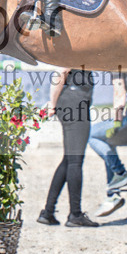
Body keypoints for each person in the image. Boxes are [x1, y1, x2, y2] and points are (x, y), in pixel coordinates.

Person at [38, 67, 100, 228]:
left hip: (74, 100)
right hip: (75, 101)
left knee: (69, 159)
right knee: (75, 161)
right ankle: (75, 214)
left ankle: (48, 212)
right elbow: (61, 71)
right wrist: (52, 104)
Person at [87, 73, 127, 217]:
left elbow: (119, 96)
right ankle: (114, 190)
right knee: (106, 139)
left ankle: (119, 177)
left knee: (93, 135)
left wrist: (117, 123)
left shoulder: (117, 64)